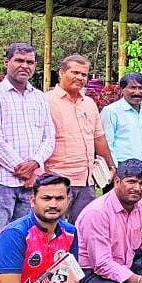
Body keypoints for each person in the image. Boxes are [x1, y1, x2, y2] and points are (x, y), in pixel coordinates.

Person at [0, 42, 56, 277]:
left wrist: (34, 165)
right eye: (19, 61)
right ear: (6, 62)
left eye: (30, 62)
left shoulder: (40, 98)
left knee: (27, 236)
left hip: (33, 183)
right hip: (3, 181)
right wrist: (21, 168)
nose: (25, 66)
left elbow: (49, 136)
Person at [46, 54, 115, 222]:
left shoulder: (89, 104)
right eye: (75, 72)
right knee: (54, 231)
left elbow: (99, 138)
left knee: (83, 231)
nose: (80, 78)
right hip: (57, 180)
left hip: (86, 181)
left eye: (84, 74)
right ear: (61, 72)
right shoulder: (46, 101)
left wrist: (111, 165)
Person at [101, 72, 142, 201]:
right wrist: (115, 170)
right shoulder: (111, 111)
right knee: (118, 211)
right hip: (121, 169)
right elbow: (107, 144)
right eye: (132, 88)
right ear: (122, 90)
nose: (137, 92)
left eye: (141, 88)